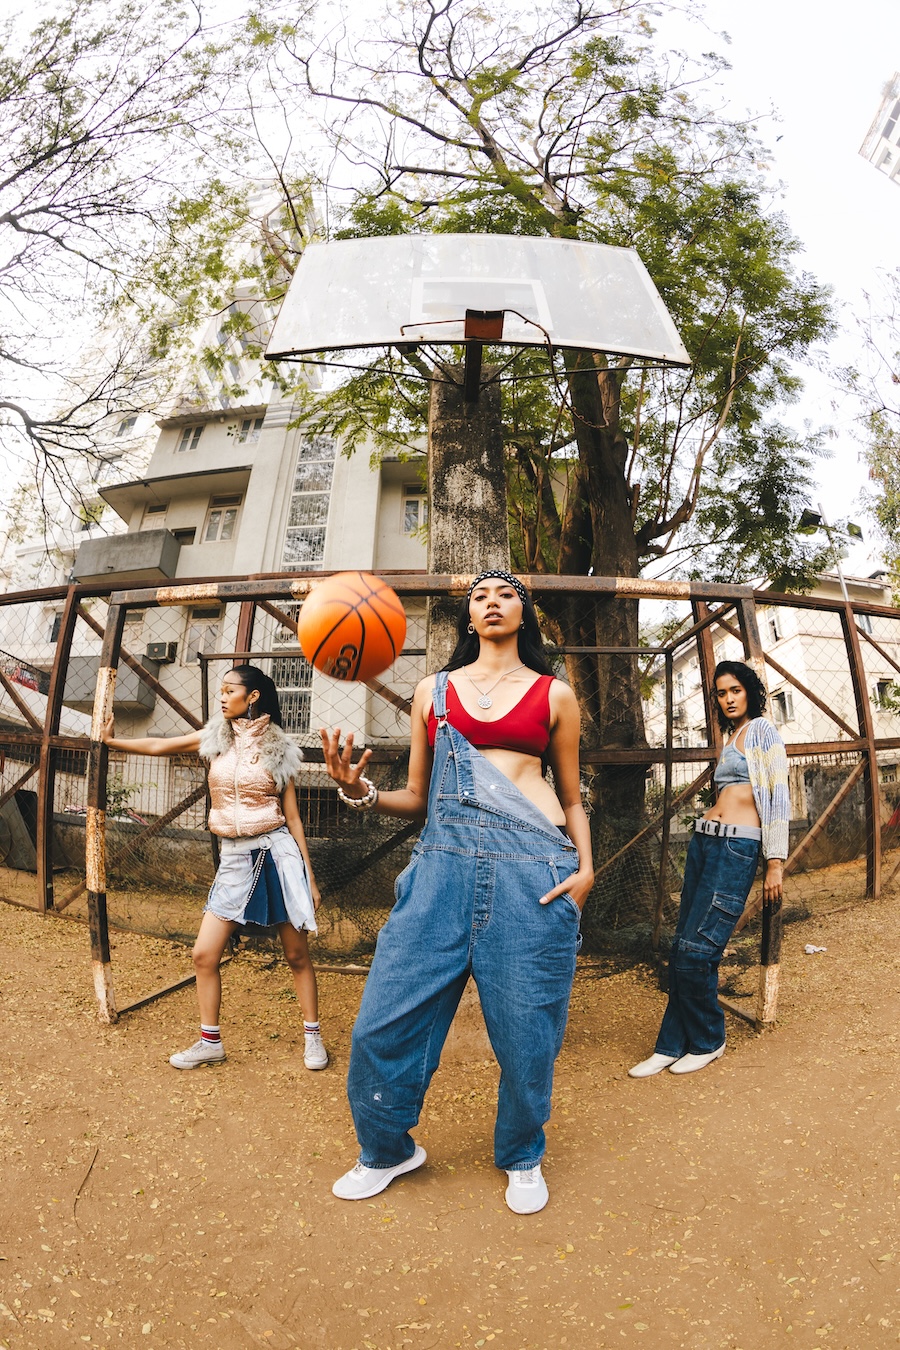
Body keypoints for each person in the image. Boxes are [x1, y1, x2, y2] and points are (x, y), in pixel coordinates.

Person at [320, 569, 594, 1215]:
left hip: (534, 870)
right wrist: (359, 791)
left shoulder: (555, 694)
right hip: (440, 870)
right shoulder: (434, 690)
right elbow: (418, 797)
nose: (492, 602)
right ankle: (386, 1149)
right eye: (479, 596)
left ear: (524, 613)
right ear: (468, 617)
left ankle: (522, 1154)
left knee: (528, 1034)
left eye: (505, 594)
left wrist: (586, 870)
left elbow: (572, 797)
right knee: (383, 1023)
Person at [101, 665, 328, 1071]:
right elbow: (160, 745)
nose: (221, 697)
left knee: (296, 955)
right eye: (220, 690)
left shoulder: (279, 749)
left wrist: (309, 876)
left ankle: (313, 1037)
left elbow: (293, 818)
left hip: (276, 855)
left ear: (253, 696)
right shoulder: (215, 738)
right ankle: (210, 1043)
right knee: (204, 955)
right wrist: (113, 741)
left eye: (229, 690)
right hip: (234, 858)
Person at [629, 659, 789, 1079]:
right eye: (721, 693)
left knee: (697, 950)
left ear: (750, 691)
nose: (728, 698)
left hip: (736, 848)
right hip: (706, 842)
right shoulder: (731, 736)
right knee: (682, 946)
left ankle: (708, 1040)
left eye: (736, 690)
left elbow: (776, 796)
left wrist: (775, 862)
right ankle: (670, 1045)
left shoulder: (762, 731)